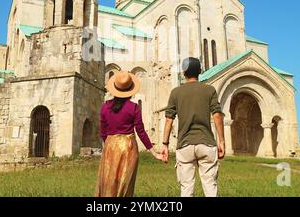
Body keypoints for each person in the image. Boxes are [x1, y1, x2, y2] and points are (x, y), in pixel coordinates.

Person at [161, 57, 225, 197]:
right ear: (200, 71)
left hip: (185, 145)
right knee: (210, 186)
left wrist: (165, 144)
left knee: (186, 188)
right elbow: (217, 115)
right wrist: (221, 141)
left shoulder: (176, 92)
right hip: (207, 143)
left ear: (184, 73)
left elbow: (168, 119)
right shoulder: (210, 90)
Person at [95, 71, 163, 197]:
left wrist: (110, 143)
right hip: (128, 148)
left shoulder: (105, 107)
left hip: (110, 146)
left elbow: (103, 132)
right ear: (130, 90)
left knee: (109, 181)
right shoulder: (134, 107)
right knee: (125, 184)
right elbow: (140, 131)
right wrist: (154, 153)